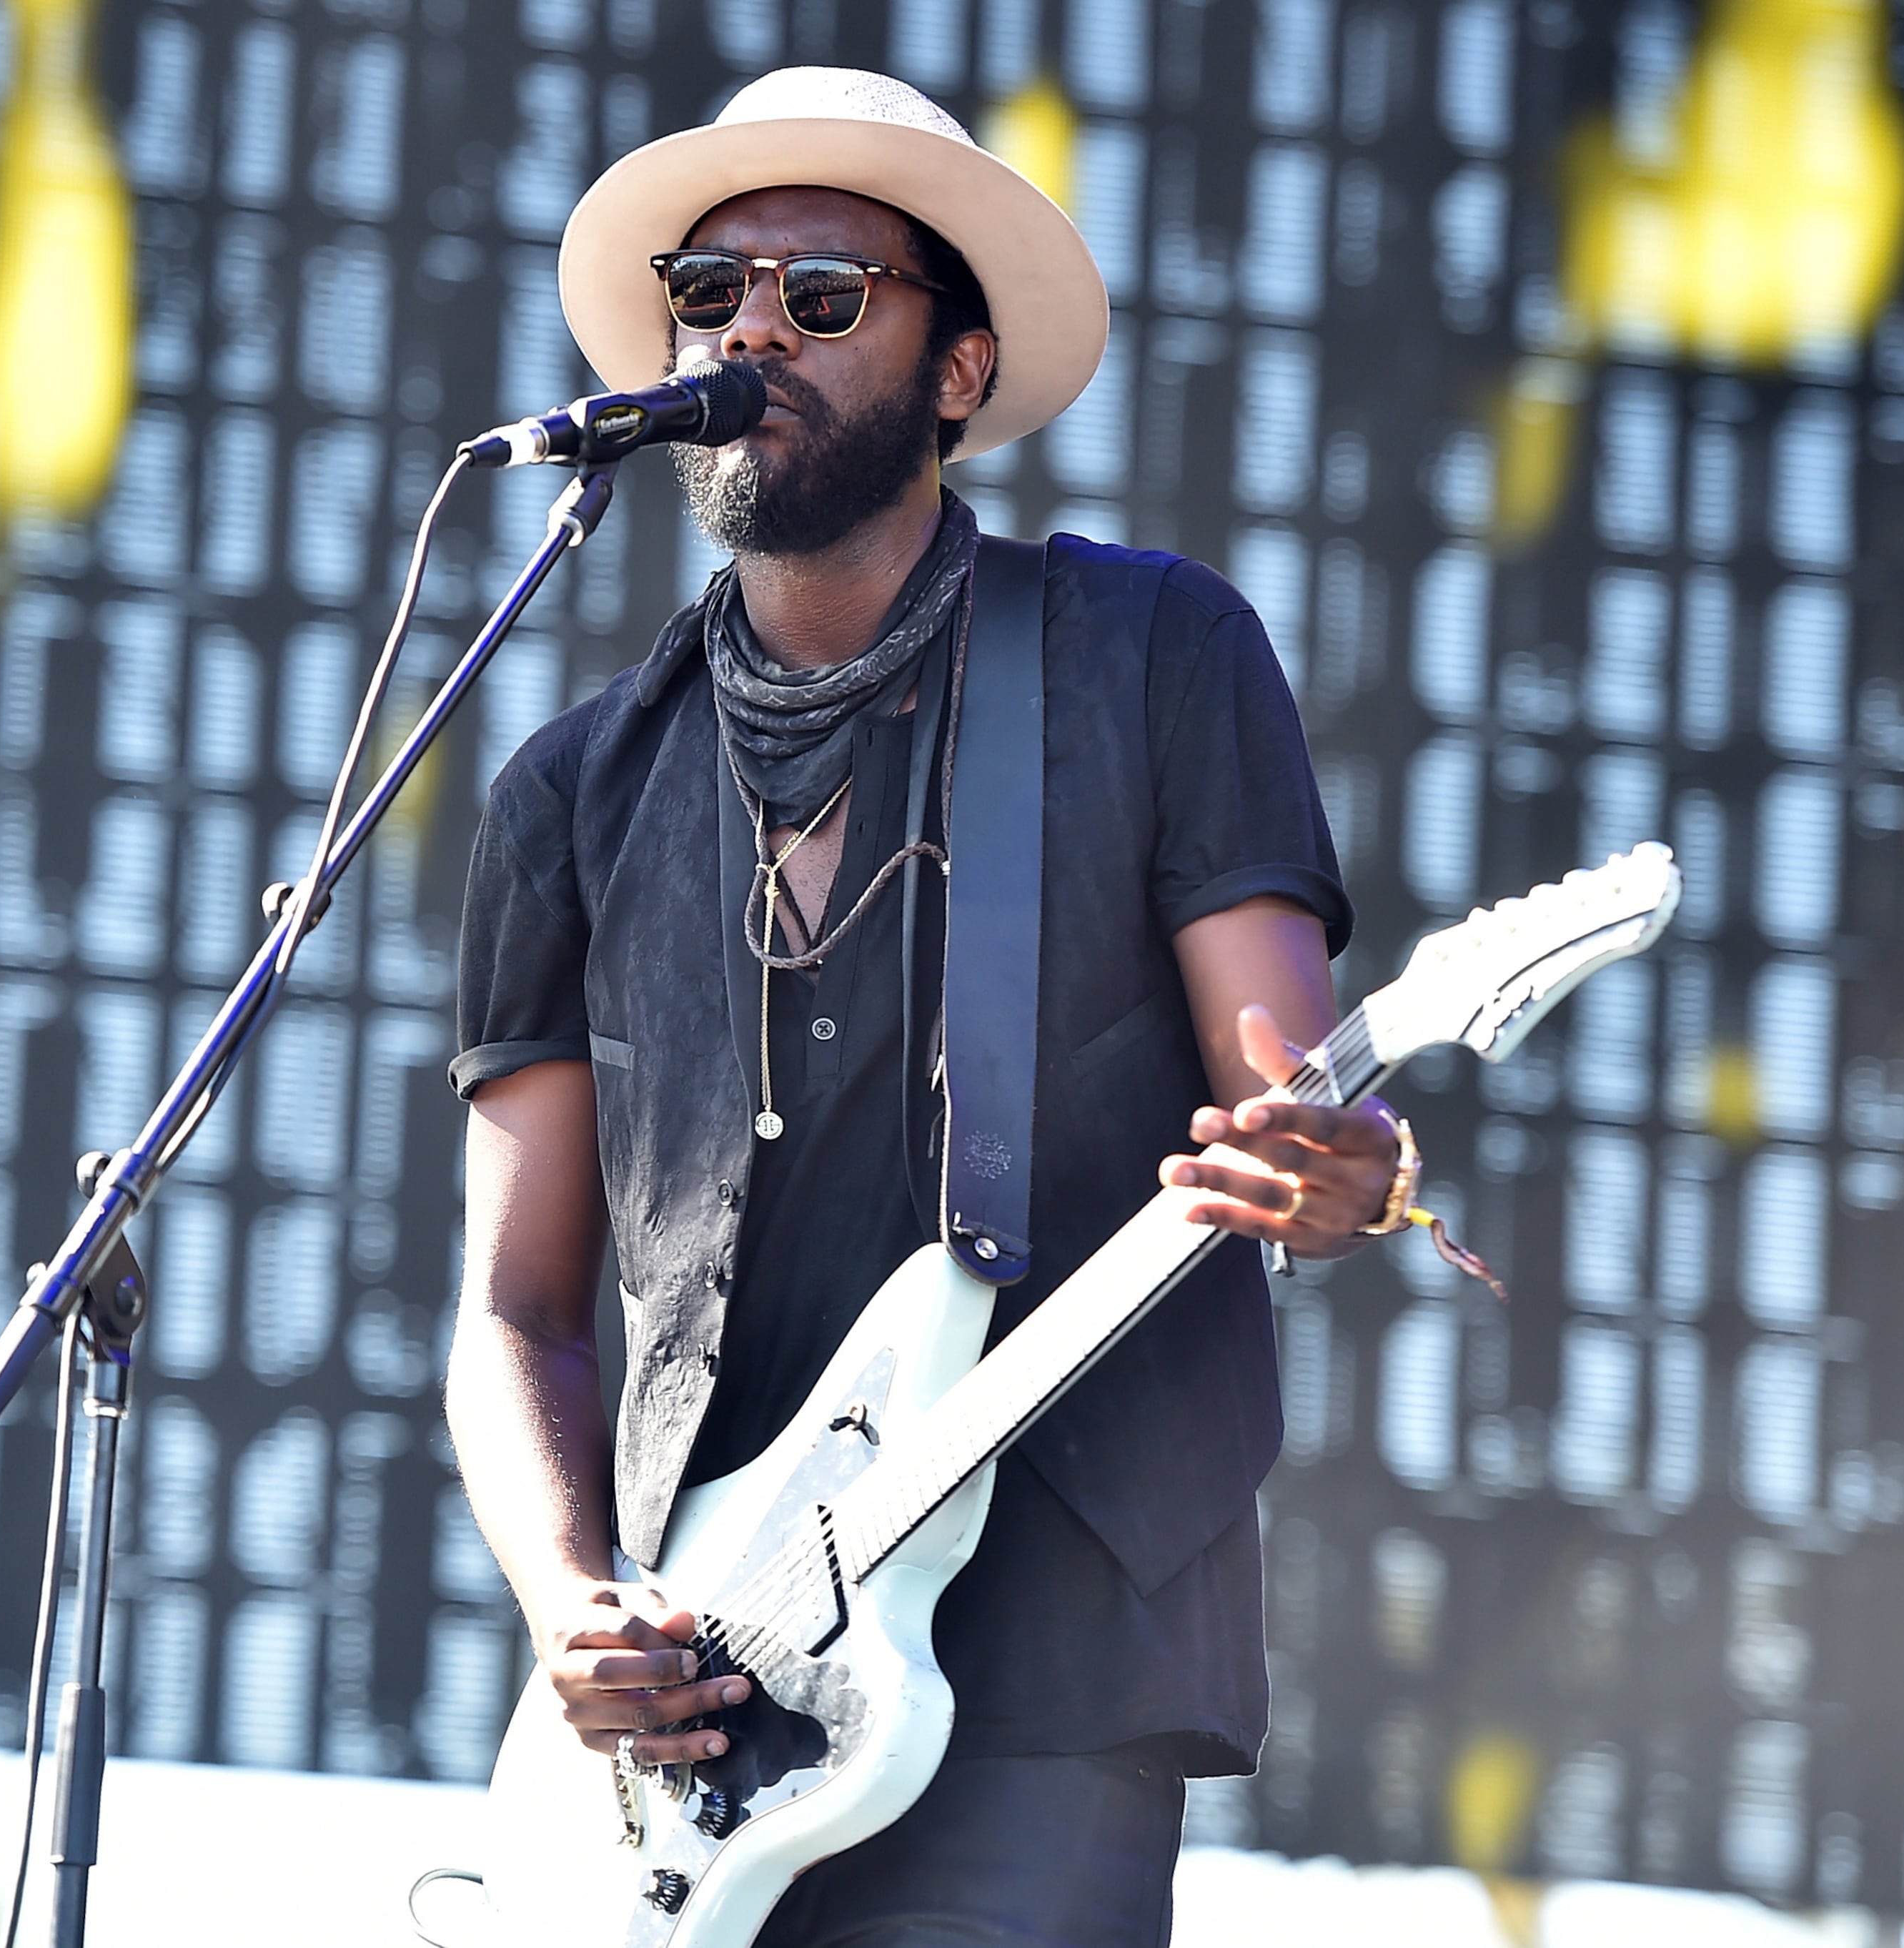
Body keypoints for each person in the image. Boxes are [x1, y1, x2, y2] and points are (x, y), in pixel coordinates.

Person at [444, 67, 1412, 1947]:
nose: (751, 332)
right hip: (698, 1730)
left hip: (1052, 1681)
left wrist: (1346, 1169)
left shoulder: (1151, 657)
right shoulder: (566, 791)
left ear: (959, 372)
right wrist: (572, 1600)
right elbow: (516, 1302)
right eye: (711, 292)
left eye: (821, 296)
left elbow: (1286, 1086)